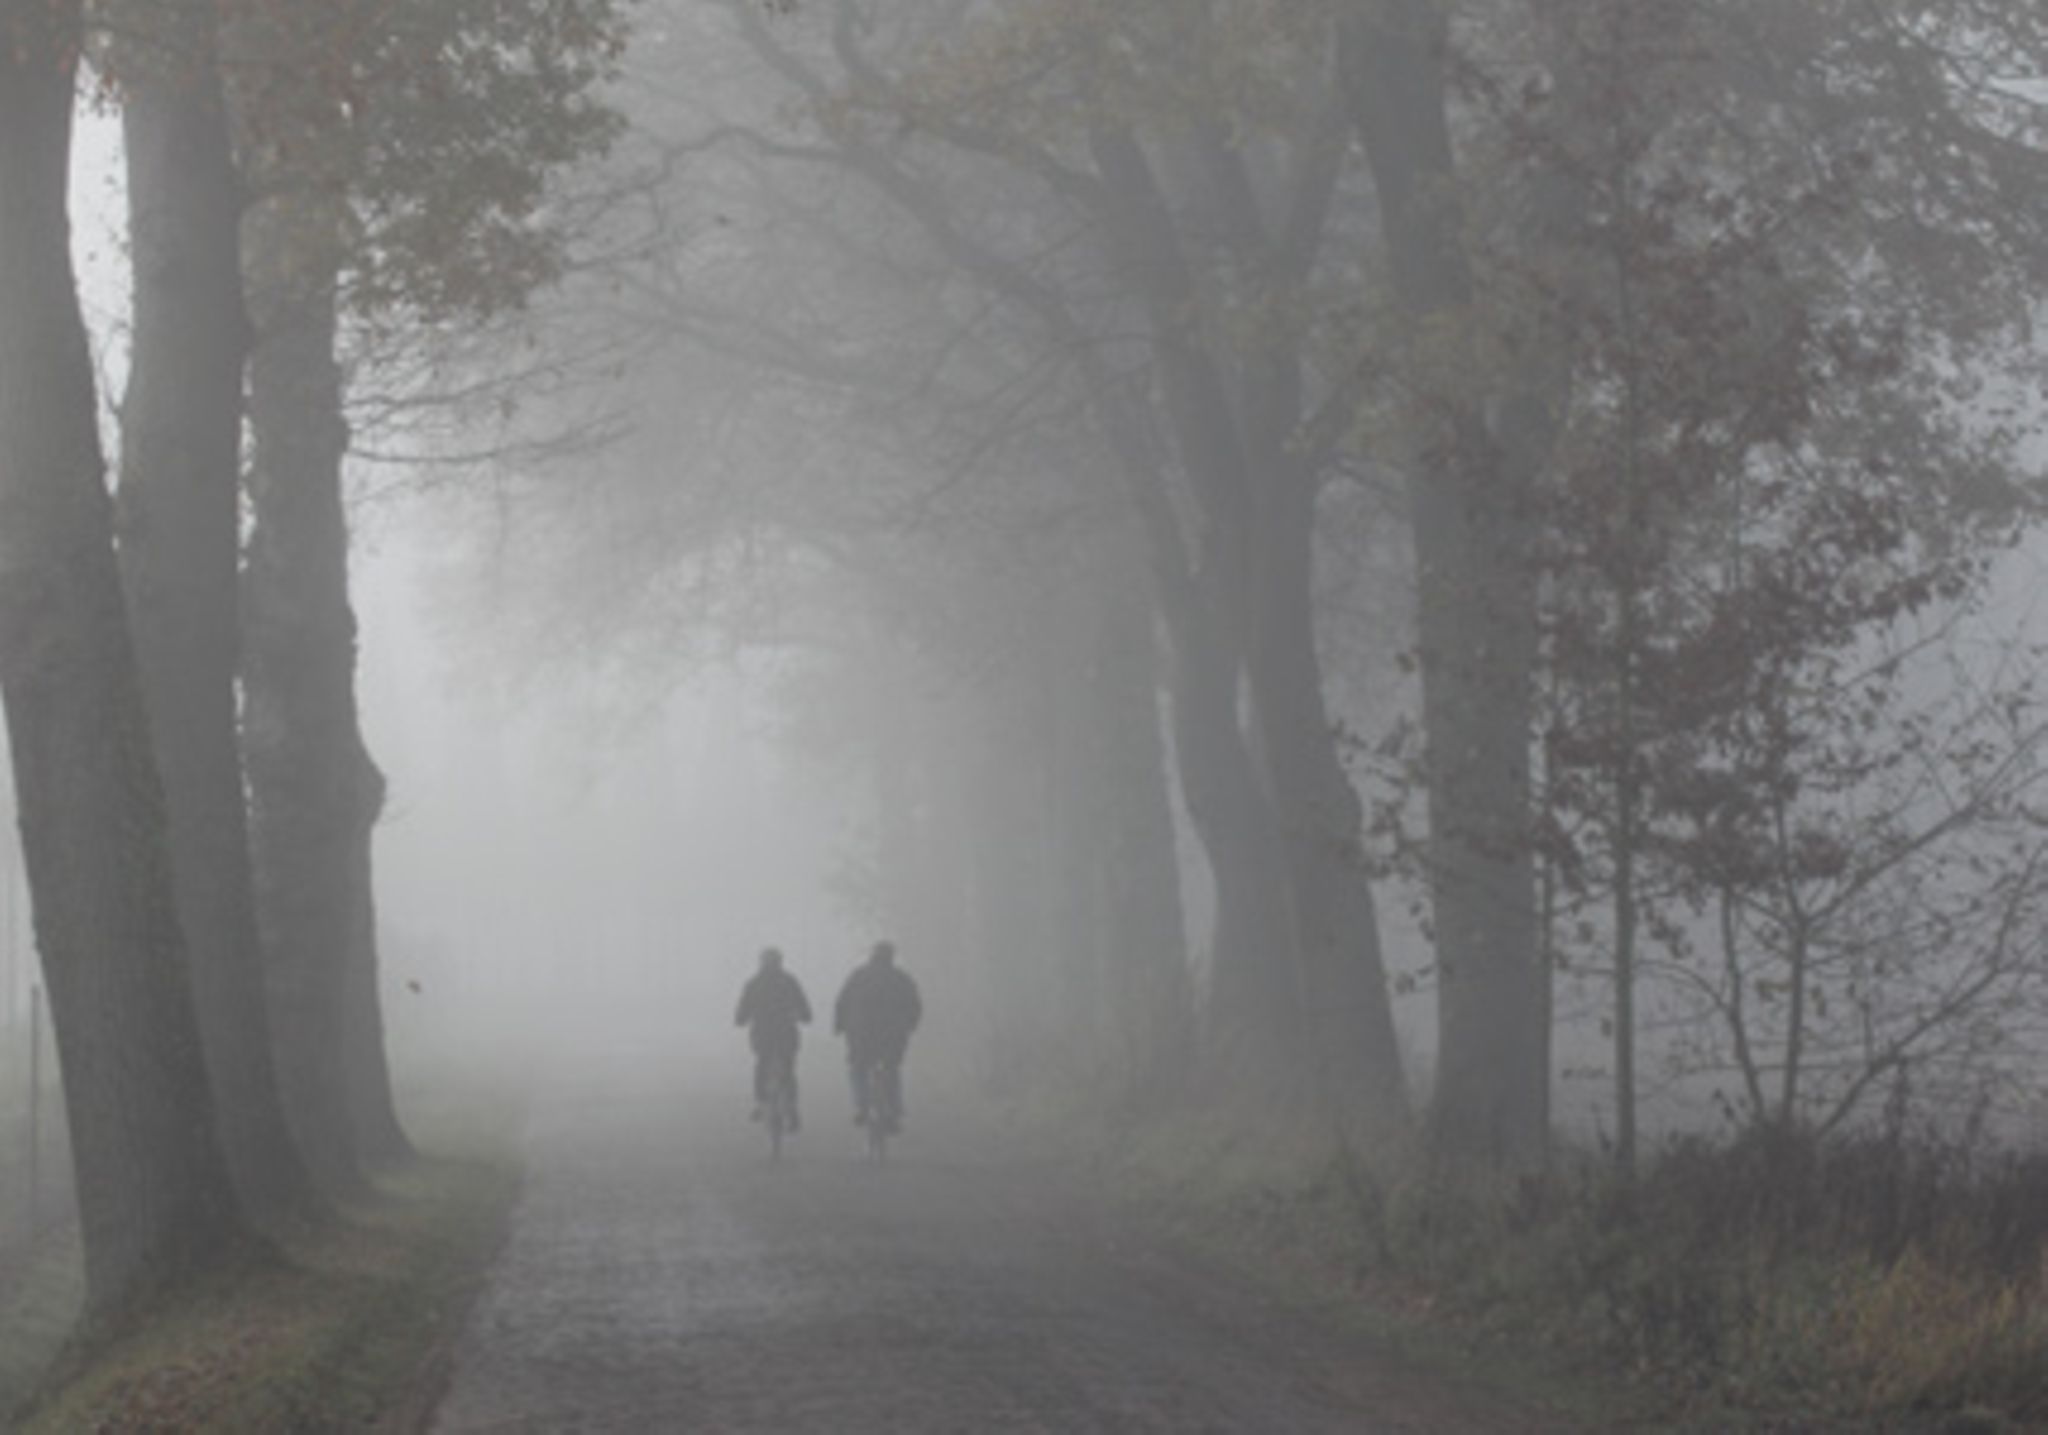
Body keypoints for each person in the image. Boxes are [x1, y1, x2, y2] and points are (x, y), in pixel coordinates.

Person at [833, 940, 922, 1133]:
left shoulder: (859, 976)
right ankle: (895, 1110)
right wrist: (911, 1025)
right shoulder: (901, 978)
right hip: (893, 1035)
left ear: (872, 956)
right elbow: (914, 1005)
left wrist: (839, 1025)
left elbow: (842, 1002)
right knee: (892, 1069)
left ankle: (861, 1106)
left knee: (858, 1068)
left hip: (861, 1034)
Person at [734, 947, 811, 1129]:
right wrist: (804, 1017)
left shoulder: (753, 983)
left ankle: (760, 1103)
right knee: (788, 1071)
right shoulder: (789, 981)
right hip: (786, 1034)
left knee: (761, 1065)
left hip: (763, 1035)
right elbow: (804, 1008)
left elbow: (742, 1013)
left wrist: (741, 1019)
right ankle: (791, 1108)